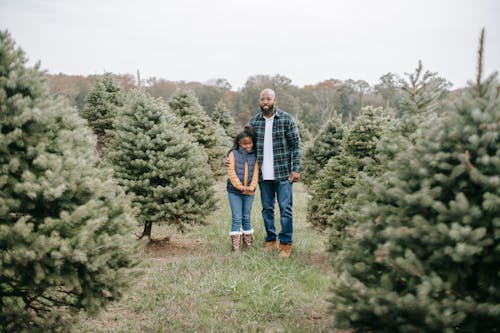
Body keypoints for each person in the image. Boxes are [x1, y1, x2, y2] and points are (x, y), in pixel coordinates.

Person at [249, 88, 301, 258]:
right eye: (262, 99)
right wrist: (230, 156)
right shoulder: (254, 122)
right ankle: (271, 240)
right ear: (259, 101)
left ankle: (285, 244)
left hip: (284, 173)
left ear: (274, 100)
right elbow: (244, 145)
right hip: (264, 175)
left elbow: (296, 146)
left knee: (285, 209)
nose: (265, 102)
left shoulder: (286, 119)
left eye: (268, 99)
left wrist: (296, 169)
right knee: (267, 208)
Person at [226, 125, 259, 251]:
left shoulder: (255, 155)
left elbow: (256, 173)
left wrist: (251, 187)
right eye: (244, 144)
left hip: (250, 192)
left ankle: (248, 242)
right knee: (237, 217)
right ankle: (236, 245)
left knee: (246, 216)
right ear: (239, 143)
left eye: (250, 143)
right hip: (234, 191)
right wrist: (240, 187)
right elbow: (231, 173)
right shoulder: (233, 154)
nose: (248, 146)